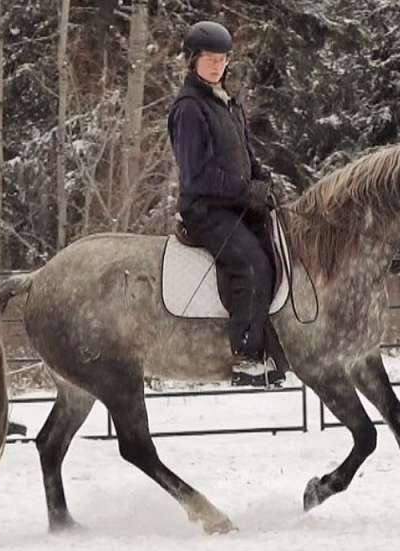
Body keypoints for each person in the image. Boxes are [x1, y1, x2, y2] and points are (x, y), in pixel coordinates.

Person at [167, 21, 286, 387]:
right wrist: (245, 190)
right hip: (205, 210)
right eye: (209, 60)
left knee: (277, 251)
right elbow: (196, 175)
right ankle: (246, 358)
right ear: (192, 62)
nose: (217, 66)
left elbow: (246, 156)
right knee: (251, 264)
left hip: (235, 206)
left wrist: (263, 180)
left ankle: (276, 347)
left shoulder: (228, 104)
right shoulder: (189, 109)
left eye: (222, 59)